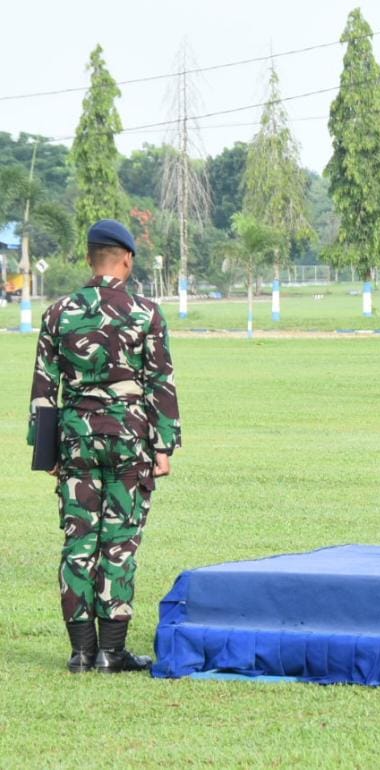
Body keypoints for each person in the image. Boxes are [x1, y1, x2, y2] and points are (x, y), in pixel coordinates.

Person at [28, 219, 181, 673]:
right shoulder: (145, 312)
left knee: (78, 542)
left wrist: (46, 452)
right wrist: (164, 446)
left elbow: (43, 388)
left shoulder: (58, 313)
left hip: (75, 439)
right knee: (119, 543)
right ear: (127, 259)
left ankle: (80, 652)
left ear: (90, 259)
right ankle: (112, 652)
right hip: (129, 441)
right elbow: (159, 383)